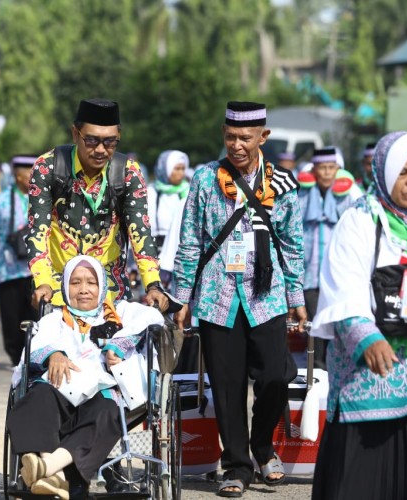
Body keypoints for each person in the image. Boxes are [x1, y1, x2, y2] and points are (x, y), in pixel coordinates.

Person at [173, 101, 307, 498]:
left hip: (265, 296)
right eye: (230, 136)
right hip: (217, 296)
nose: (237, 145)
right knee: (227, 385)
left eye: (245, 138)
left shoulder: (282, 183)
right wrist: (183, 296)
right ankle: (236, 465)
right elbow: (190, 241)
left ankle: (263, 446)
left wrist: (296, 294)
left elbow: (292, 244)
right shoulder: (204, 179)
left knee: (276, 375)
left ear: (262, 137)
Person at [310, 131, 407, 499]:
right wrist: (366, 336)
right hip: (371, 372)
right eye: (403, 172)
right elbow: (343, 283)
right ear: (383, 172)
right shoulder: (360, 219)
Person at [7, 255, 164, 499]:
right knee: (36, 397)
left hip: (102, 390)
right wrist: (54, 354)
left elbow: (152, 318)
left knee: (106, 411)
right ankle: (54, 476)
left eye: (91, 283)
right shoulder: (53, 319)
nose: (83, 290)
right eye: (75, 282)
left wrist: (119, 345)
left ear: (102, 286)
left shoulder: (120, 312)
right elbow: (33, 348)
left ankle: (46, 467)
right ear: (65, 287)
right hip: (61, 388)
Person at [27, 98, 171, 312]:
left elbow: (140, 232)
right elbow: (38, 231)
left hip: (110, 293)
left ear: (119, 136)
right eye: (92, 141)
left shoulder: (128, 173)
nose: (101, 150)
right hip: (57, 291)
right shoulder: (48, 168)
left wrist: (153, 285)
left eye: (110, 142)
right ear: (76, 134)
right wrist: (42, 282)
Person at [298, 147, 360, 369]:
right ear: (314, 170)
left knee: (335, 321)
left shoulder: (350, 193)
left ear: (338, 170)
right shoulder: (301, 193)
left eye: (331, 168)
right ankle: (317, 367)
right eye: (322, 168)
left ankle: (332, 367)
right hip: (310, 273)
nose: (326, 173)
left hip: (338, 271)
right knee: (315, 322)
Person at [0, 155, 38, 367]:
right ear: (18, 176)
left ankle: (33, 358)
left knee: (36, 317)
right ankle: (15, 357)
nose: (35, 177)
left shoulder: (44, 200)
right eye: (30, 173)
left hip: (37, 270)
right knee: (12, 319)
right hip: (8, 268)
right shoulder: (0, 201)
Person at [147, 150, 190, 250]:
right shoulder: (151, 192)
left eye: (183, 168)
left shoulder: (188, 192)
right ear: (165, 169)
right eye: (177, 169)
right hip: (155, 248)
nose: (181, 173)